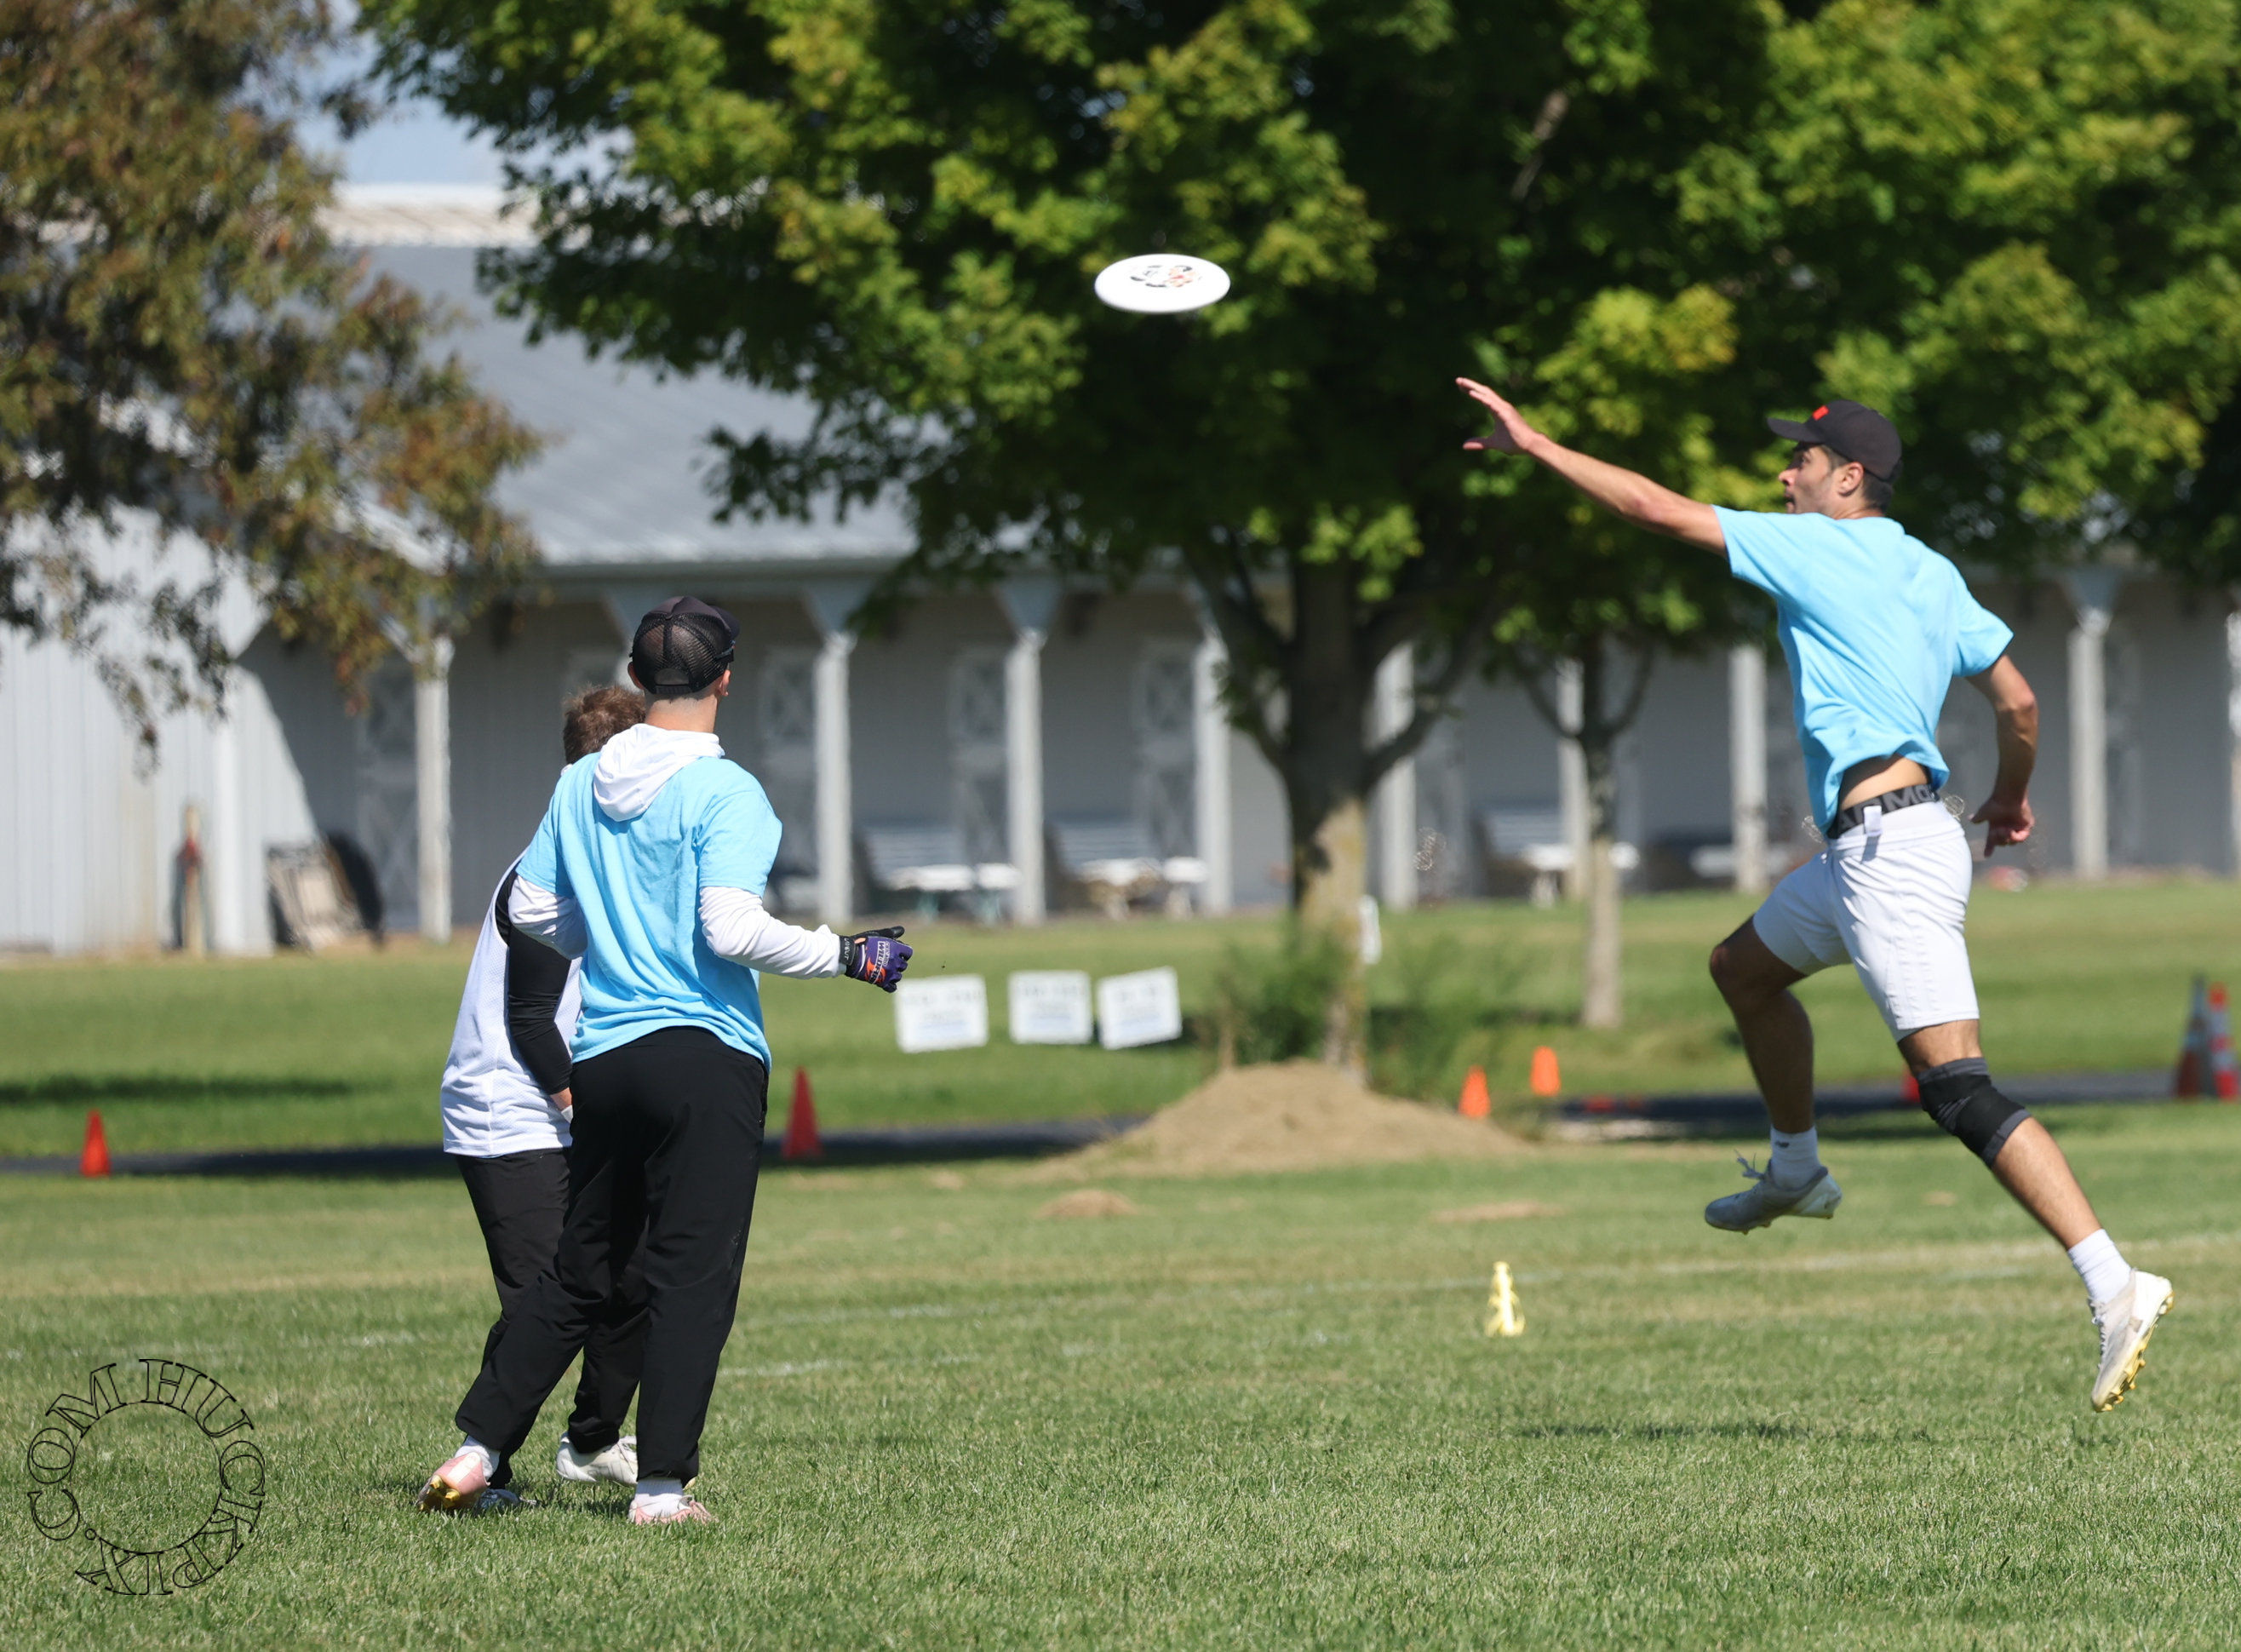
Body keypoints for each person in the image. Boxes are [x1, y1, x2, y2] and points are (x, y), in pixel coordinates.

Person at [1456, 381, 2173, 1412]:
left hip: (1890, 855)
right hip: (1876, 847)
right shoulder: (1930, 570)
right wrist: (2011, 798)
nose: (1783, 472)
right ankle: (1796, 1167)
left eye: (1800, 459)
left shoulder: (1816, 546)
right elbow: (2017, 700)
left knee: (1957, 1089)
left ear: (1848, 480)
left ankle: (2113, 1281)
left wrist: (1536, 445)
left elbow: (1652, 507)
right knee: (1741, 969)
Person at [418, 597, 914, 1523]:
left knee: (580, 1268)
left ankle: (476, 1452)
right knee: (691, 1274)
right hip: (703, 1056)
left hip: (605, 1057)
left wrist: (607, 935)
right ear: (725, 677)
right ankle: (659, 1487)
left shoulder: (579, 784)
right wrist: (851, 955)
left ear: (638, 678)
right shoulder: (728, 791)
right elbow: (729, 929)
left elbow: (529, 913)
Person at [436, 683, 650, 1512]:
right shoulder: (553, 863)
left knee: (628, 1276)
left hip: (562, 1107)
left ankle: (592, 1440)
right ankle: (481, 1466)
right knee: (542, 1302)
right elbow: (529, 1020)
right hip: (508, 1109)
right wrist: (576, 1102)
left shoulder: (605, 855)